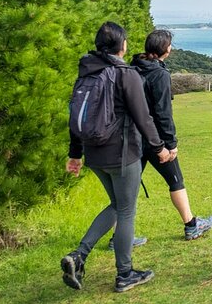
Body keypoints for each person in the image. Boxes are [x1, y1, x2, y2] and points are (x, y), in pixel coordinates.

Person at [62, 22, 173, 293]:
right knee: (126, 210)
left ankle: (79, 256)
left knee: (116, 204)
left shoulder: (87, 72)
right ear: (122, 45)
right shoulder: (125, 73)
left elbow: (76, 113)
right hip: (121, 152)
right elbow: (143, 116)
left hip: (94, 152)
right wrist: (159, 147)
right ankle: (124, 273)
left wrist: (75, 154)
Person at [131, 29, 212, 239]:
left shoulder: (133, 68)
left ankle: (120, 237)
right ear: (165, 49)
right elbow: (163, 113)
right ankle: (191, 225)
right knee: (175, 179)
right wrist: (170, 143)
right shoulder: (159, 74)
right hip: (155, 139)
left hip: (133, 137)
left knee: (129, 188)